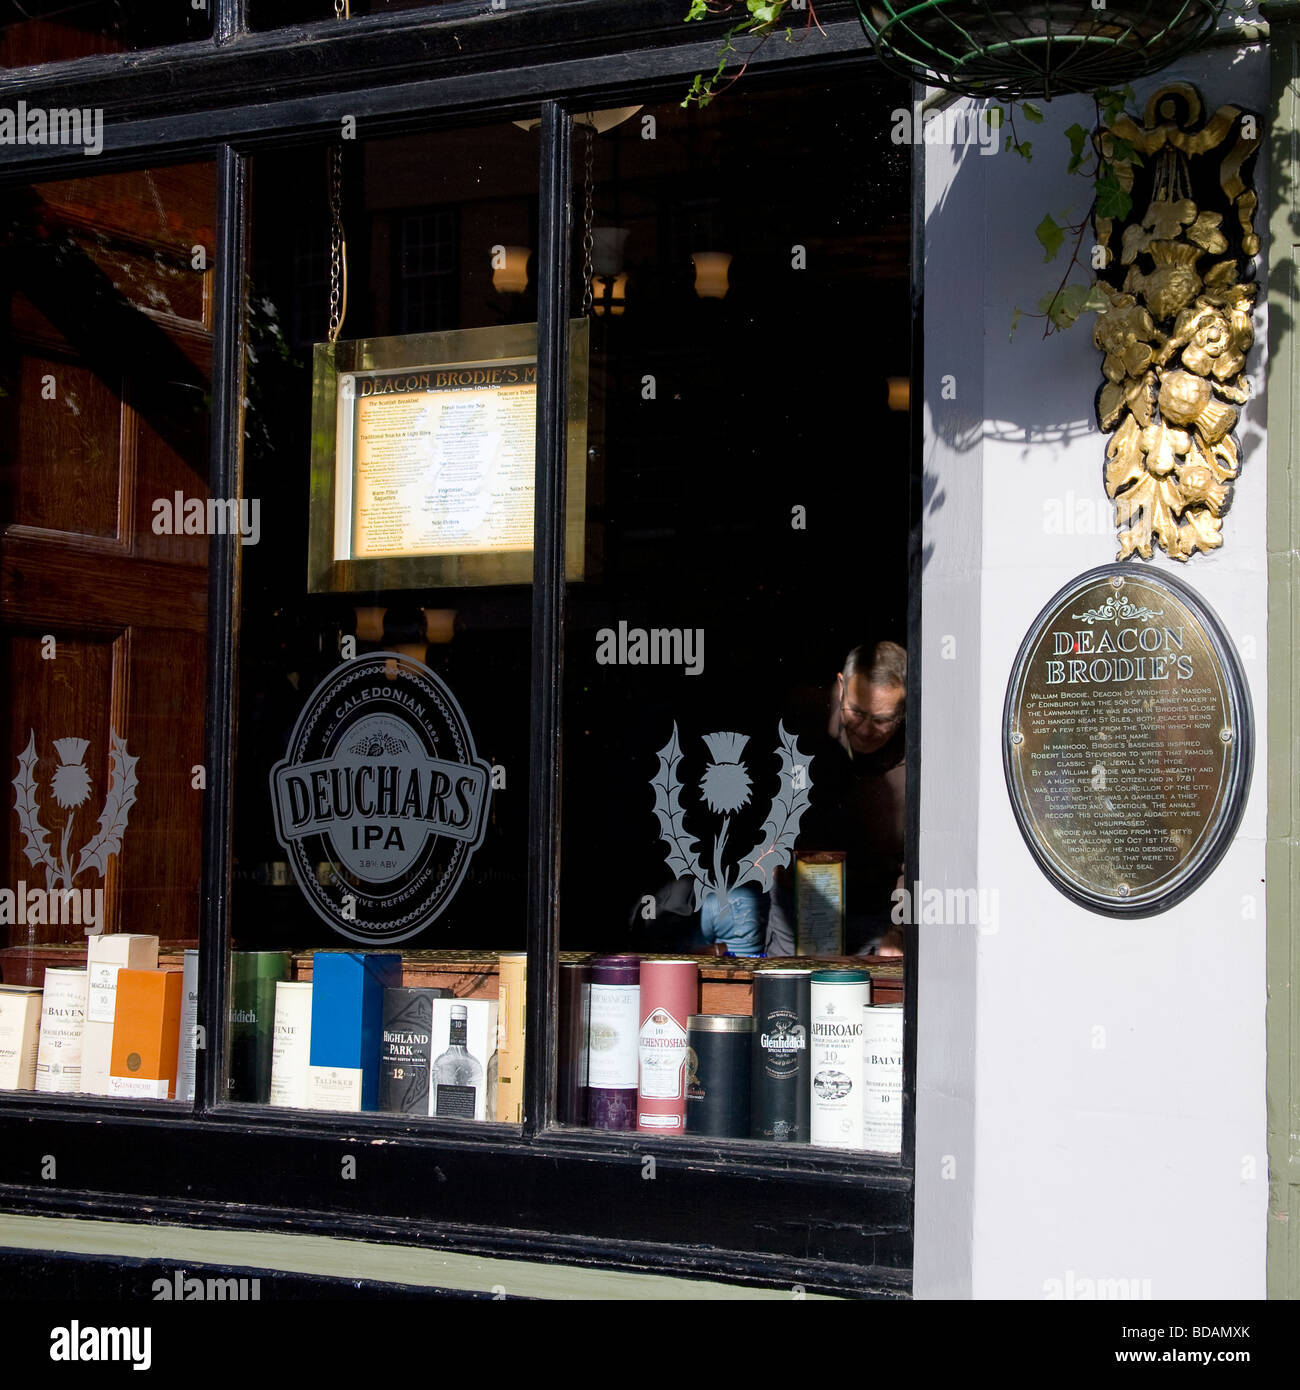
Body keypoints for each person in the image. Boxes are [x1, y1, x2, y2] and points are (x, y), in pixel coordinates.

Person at [767, 641, 907, 957]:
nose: (866, 730)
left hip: (877, 915)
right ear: (842, 685)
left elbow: (916, 863)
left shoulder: (918, 761)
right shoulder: (805, 717)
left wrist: (899, 931)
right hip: (799, 898)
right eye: (857, 711)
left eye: (882, 719)